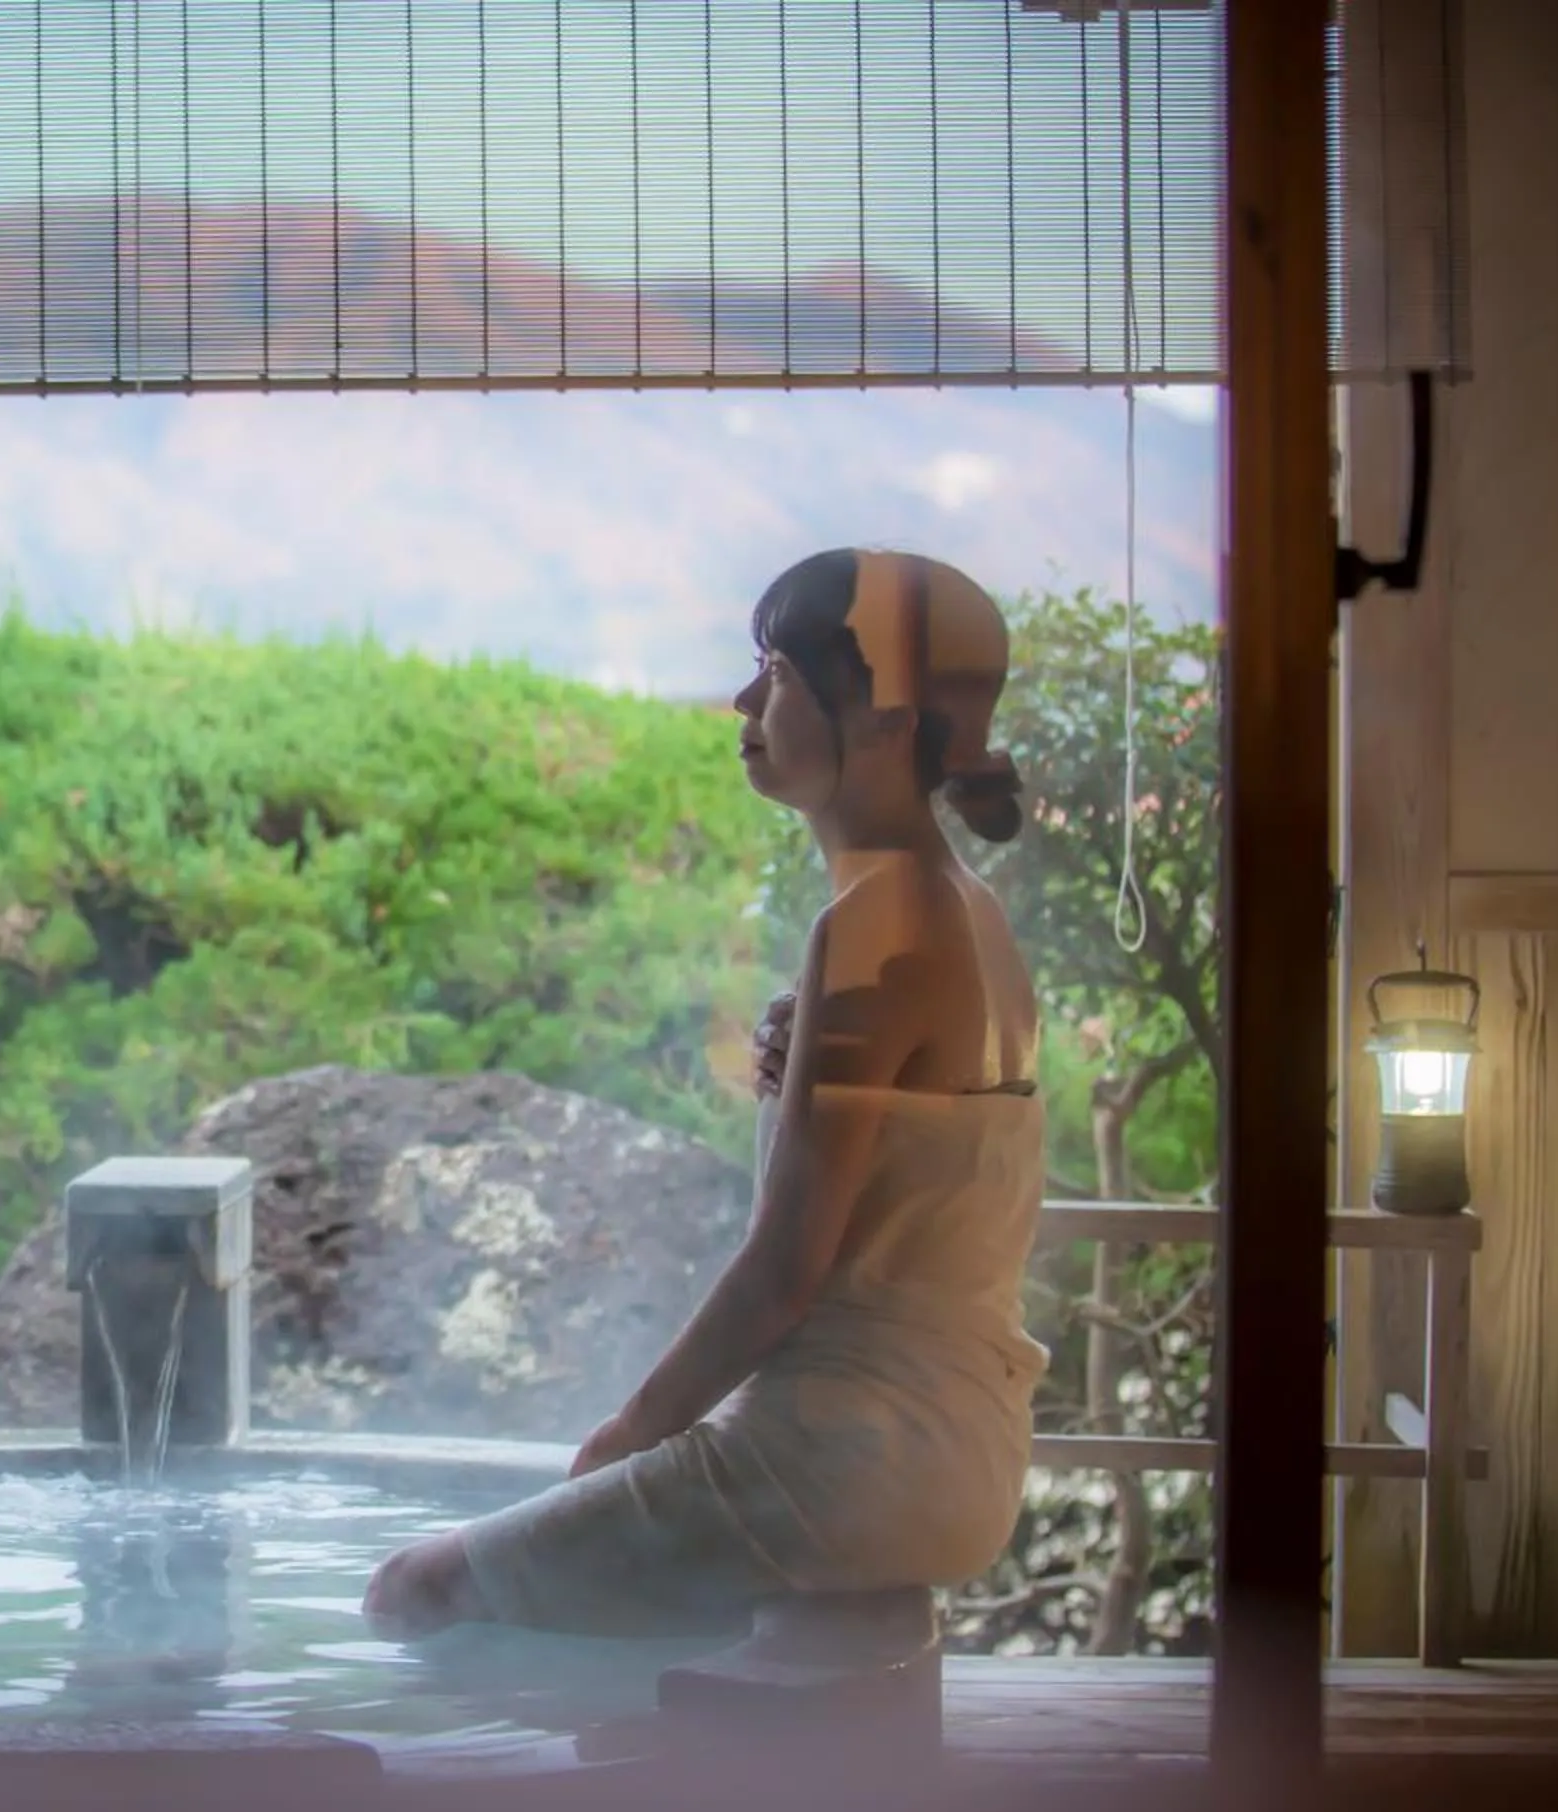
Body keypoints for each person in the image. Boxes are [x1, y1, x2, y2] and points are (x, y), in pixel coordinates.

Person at [364, 549, 1049, 1653]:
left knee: (414, 1594)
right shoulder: (964, 908)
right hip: (952, 1445)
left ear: (879, 716)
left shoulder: (880, 922)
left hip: (850, 1451)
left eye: (774, 670)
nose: (744, 701)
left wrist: (635, 1429)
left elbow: (787, 1270)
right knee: (610, 1617)